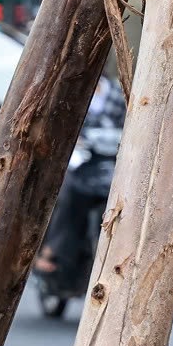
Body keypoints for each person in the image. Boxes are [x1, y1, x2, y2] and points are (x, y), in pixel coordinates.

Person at [37, 74, 128, 285]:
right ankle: (52, 250)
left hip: (112, 164)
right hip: (80, 163)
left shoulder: (117, 93)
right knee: (68, 195)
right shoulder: (72, 94)